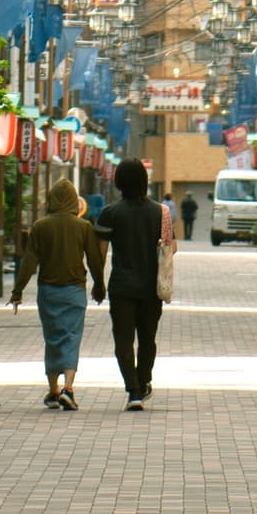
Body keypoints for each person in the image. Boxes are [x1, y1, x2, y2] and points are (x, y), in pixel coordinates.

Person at [92, 157, 175, 410]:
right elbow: (172, 247)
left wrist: (98, 283)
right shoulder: (160, 212)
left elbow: (100, 254)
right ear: (144, 181)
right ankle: (144, 379)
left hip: (122, 287)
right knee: (148, 338)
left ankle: (134, 391)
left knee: (123, 340)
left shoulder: (110, 213)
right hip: (151, 288)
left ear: (118, 182)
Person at [13, 178, 101, 409]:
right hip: (74, 290)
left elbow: (29, 261)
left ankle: (53, 390)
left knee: (52, 338)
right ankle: (68, 389)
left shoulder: (41, 226)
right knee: (72, 337)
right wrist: (100, 286)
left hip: (48, 291)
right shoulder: (83, 227)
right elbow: (94, 259)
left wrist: (17, 290)